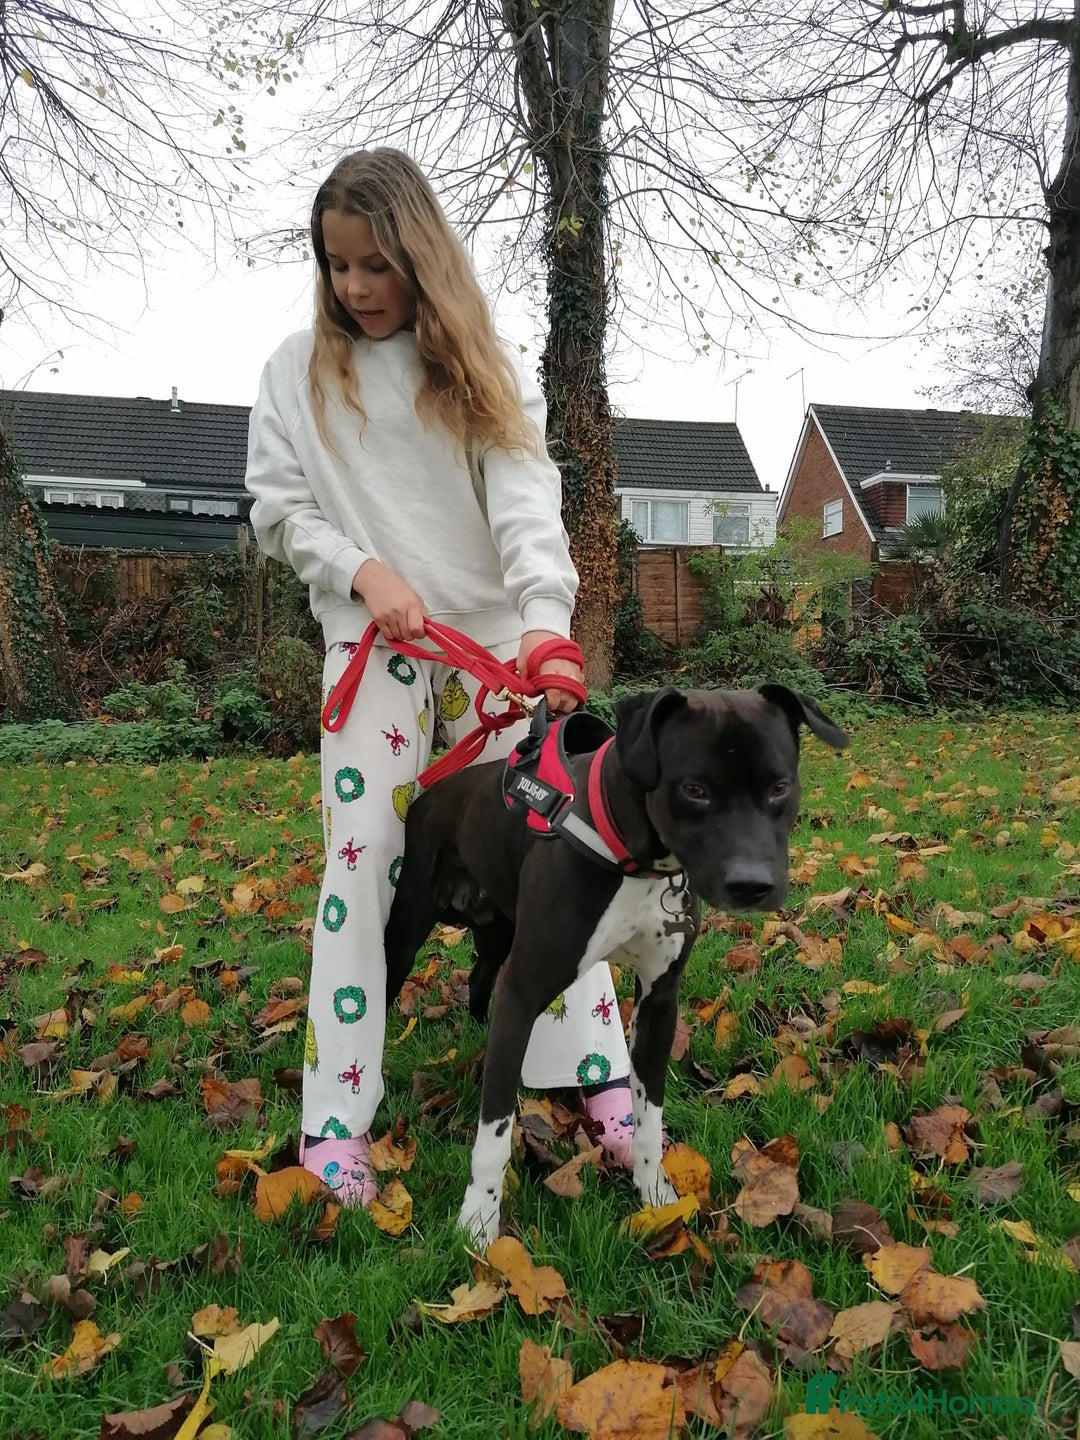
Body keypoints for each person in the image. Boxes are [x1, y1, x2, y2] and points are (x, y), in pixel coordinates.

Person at [245, 148, 634, 1206]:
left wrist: (546, 625)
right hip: (372, 649)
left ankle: (590, 1066)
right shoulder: (294, 371)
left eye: (376, 264)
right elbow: (278, 508)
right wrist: (362, 571)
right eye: (336, 265)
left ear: (422, 256)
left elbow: (526, 498)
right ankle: (335, 1113)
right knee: (362, 860)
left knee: (554, 851)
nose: (355, 287)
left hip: (492, 654)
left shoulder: (474, 364)